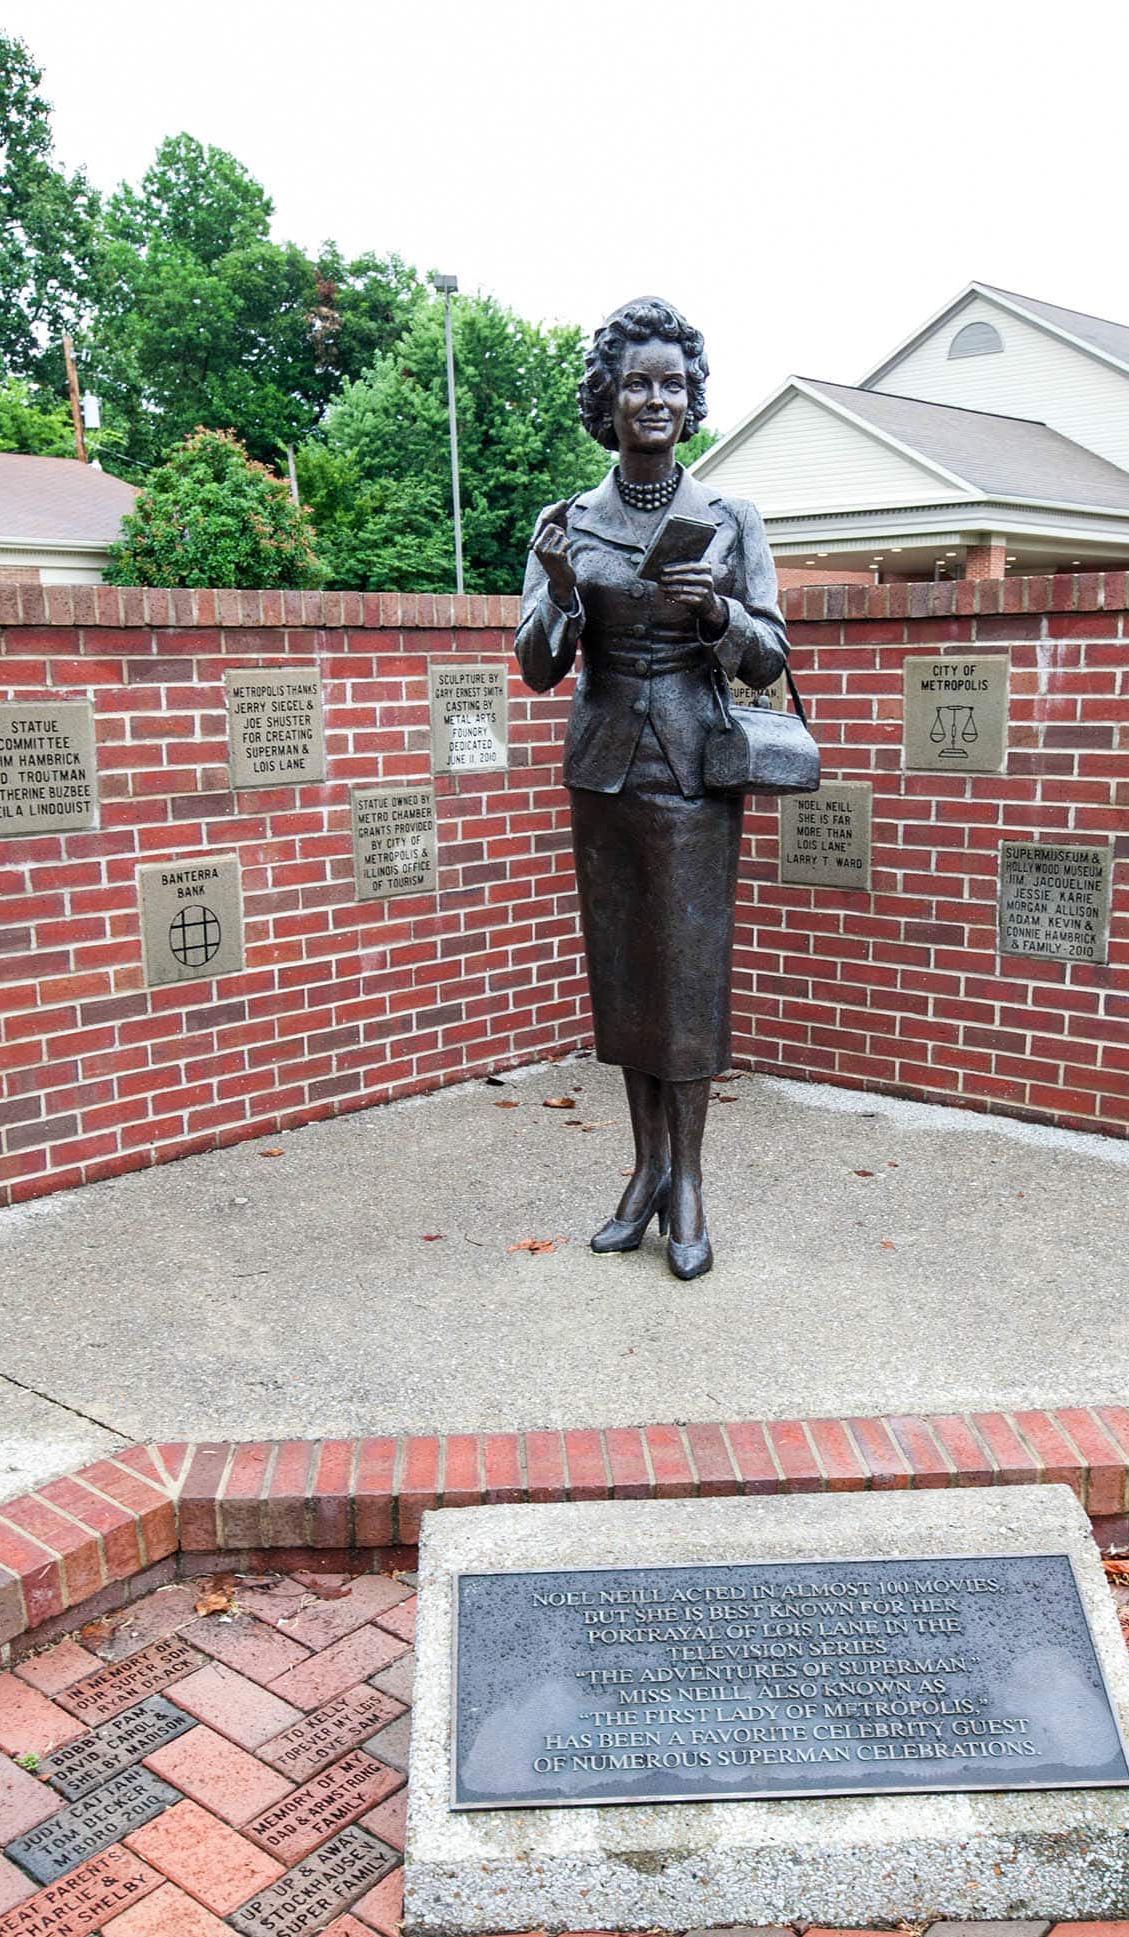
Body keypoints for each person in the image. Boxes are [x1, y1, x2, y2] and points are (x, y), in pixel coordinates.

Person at [515, 297, 788, 1280]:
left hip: (691, 769)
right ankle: (641, 1174)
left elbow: (768, 656)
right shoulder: (566, 523)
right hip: (603, 771)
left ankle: (691, 1184)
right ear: (607, 398)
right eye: (637, 381)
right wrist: (554, 592)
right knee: (627, 980)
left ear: (690, 396)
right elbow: (540, 669)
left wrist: (717, 611)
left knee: (687, 985)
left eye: (671, 382)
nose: (655, 397)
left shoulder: (730, 518)